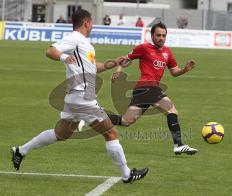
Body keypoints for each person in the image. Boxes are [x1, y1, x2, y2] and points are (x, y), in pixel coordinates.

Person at [11, 9, 148, 184]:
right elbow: (51, 51)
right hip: (83, 97)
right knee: (111, 134)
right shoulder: (75, 38)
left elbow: (93, 67)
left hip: (75, 98)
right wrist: (64, 57)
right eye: (91, 23)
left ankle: (21, 151)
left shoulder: (84, 44)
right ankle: (127, 175)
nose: (92, 26)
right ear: (87, 23)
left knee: (60, 134)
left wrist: (115, 63)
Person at [110, 22, 198, 155]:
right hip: (148, 86)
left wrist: (185, 69)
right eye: (158, 35)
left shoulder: (167, 52)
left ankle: (93, 115)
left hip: (143, 90)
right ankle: (178, 145)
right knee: (172, 111)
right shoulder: (144, 48)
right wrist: (118, 70)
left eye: (163, 35)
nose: (161, 38)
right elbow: (125, 59)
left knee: (126, 120)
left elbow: (174, 72)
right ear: (152, 35)